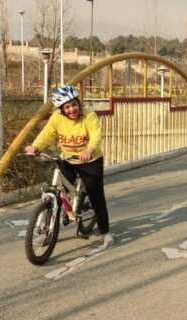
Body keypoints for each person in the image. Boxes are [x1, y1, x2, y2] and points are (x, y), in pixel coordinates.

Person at [25, 85, 114, 247]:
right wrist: (35, 146)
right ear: (61, 109)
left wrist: (89, 150)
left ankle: (105, 232)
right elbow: (47, 134)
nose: (71, 109)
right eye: (67, 107)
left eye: (74, 104)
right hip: (67, 159)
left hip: (90, 161)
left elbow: (96, 135)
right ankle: (48, 232)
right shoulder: (57, 118)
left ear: (79, 103)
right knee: (59, 192)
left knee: (96, 197)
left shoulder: (89, 116)